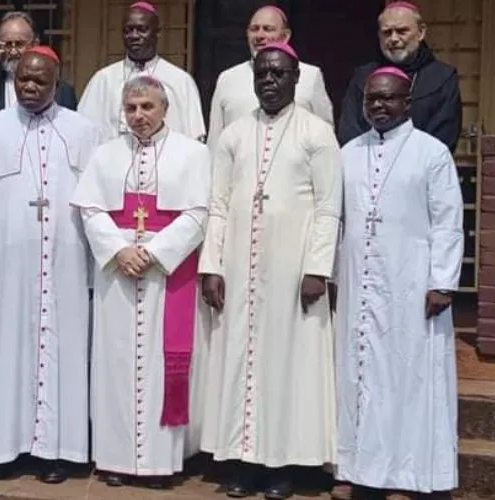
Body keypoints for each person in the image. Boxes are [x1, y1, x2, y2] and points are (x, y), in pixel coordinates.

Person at [198, 42, 341, 500]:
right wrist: (212, 265)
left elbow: (328, 207)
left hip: (292, 269)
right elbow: (217, 204)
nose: (269, 81)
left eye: (278, 74)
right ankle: (244, 461)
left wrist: (318, 267)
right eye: (262, 74)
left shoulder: (317, 133)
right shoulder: (235, 133)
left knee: (287, 366)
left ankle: (284, 466)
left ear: (296, 78)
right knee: (241, 360)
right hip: (239, 267)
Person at [0, 46, 98, 483]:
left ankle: (60, 452)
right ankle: (3, 449)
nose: (31, 87)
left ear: (57, 83)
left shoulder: (84, 131)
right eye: (23, 80)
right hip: (5, 268)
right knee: (5, 355)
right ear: (13, 79)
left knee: (66, 354)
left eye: (40, 81)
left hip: (68, 265)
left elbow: (97, 204)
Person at [70, 75, 210, 489]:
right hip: (119, 273)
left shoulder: (193, 154)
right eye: (131, 108)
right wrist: (119, 250)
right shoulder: (105, 155)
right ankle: (115, 459)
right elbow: (90, 210)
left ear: (166, 109)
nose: (139, 116)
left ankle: (158, 463)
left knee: (162, 364)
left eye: (147, 107)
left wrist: (154, 252)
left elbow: (199, 212)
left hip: (168, 275)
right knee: (114, 362)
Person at [333, 67, 463, 500]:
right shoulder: (349, 152)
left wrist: (442, 281)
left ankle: (408, 476)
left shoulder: (431, 153)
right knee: (359, 374)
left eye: (388, 99)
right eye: (372, 99)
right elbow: (335, 221)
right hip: (359, 285)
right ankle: (360, 471)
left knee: (408, 380)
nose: (379, 106)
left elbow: (448, 221)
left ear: (407, 102)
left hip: (411, 286)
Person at [337, 1, 462, 153]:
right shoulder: (362, 77)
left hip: (419, 170)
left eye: (402, 31)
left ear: (421, 32)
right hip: (367, 170)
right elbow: (349, 131)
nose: (394, 39)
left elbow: (443, 137)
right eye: (387, 32)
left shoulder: (443, 77)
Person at [207, 5, 333, 152]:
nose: (259, 35)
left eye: (268, 29)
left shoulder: (310, 75)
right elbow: (215, 140)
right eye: (254, 29)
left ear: (285, 36)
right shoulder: (227, 78)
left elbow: (326, 133)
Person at [77, 1, 205, 142]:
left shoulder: (180, 80)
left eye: (142, 29)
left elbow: (194, 138)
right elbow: (85, 134)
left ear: (157, 32)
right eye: (128, 30)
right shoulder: (104, 79)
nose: (134, 36)